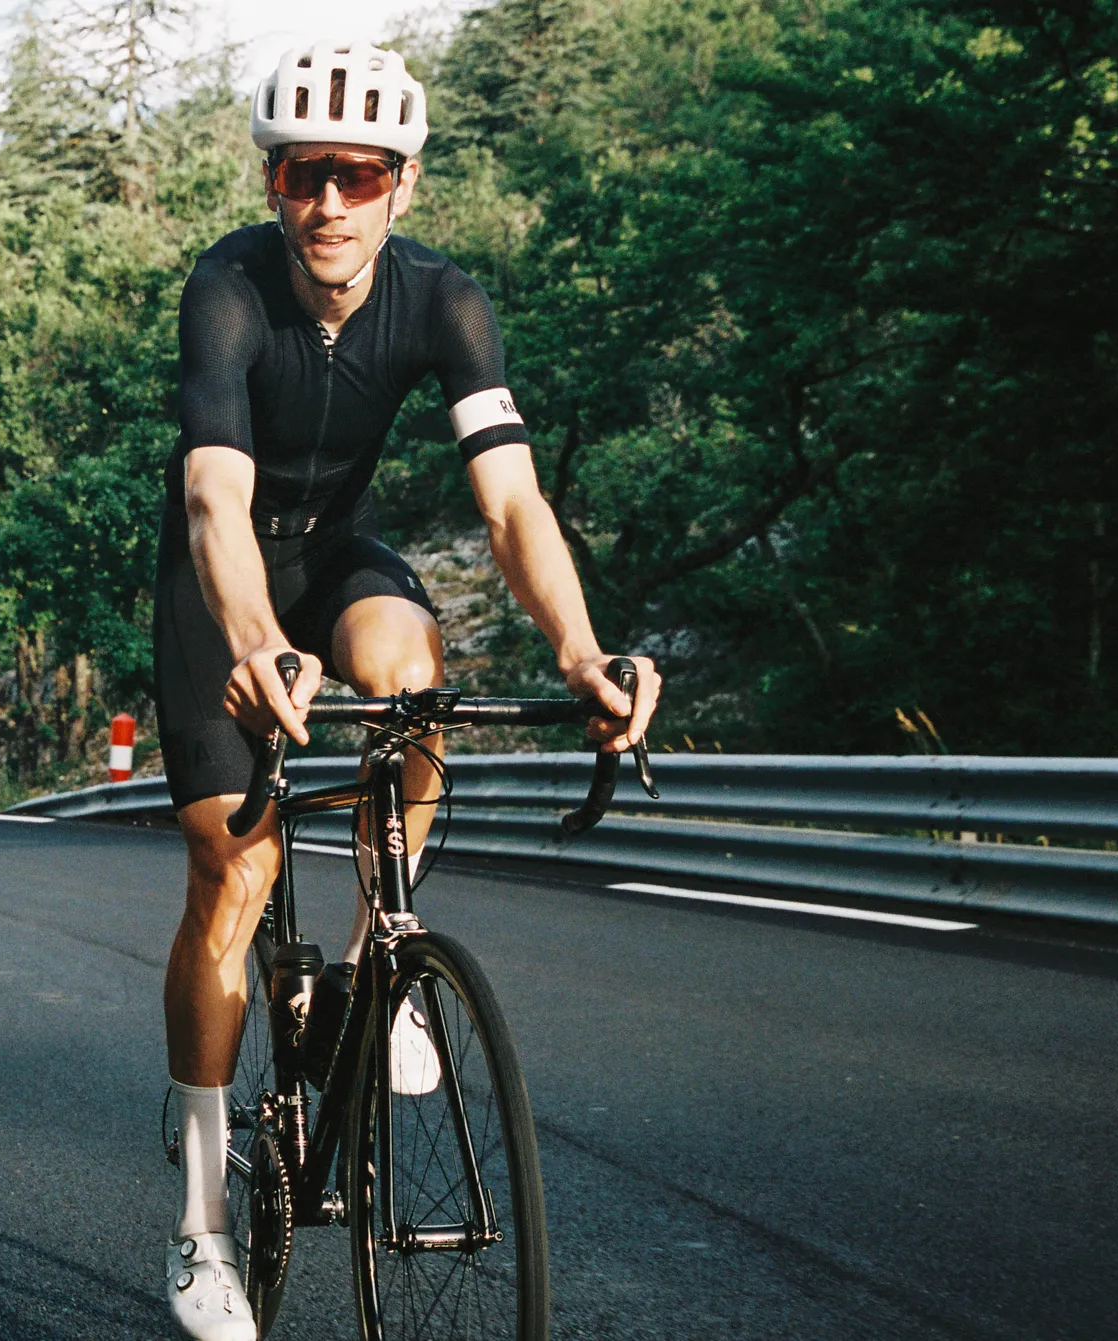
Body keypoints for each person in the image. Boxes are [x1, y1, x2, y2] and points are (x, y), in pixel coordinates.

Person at [152, 42, 663, 1338]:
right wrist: (259, 644)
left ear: (402, 188)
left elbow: (510, 502)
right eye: (302, 172)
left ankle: (385, 934)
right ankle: (203, 1218)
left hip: (340, 558)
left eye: (358, 175)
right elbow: (215, 497)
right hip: (223, 582)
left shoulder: (446, 301)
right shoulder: (224, 289)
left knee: (408, 677)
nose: (329, 201)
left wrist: (582, 654)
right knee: (236, 871)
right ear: (272, 182)